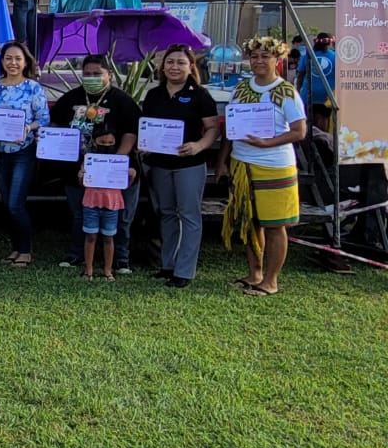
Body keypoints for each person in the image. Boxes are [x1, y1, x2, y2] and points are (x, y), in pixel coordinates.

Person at [215, 36, 307, 296]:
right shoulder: (241, 89)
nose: (259, 61)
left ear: (277, 60)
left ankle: (271, 280)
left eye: (265, 56)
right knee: (250, 221)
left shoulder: (286, 92)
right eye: (254, 57)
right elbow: (230, 129)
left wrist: (269, 143)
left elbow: (299, 131)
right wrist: (222, 161)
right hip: (242, 164)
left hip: (275, 164)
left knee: (275, 225)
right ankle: (254, 273)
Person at [49, 55, 141, 272]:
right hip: (77, 170)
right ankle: (77, 255)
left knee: (121, 216)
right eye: (87, 75)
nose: (91, 78)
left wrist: (116, 160)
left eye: (97, 74)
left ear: (109, 74)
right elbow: (55, 125)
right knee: (80, 214)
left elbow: (131, 132)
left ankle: (121, 260)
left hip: (118, 170)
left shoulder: (123, 101)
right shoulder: (70, 99)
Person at [140, 44, 220, 288]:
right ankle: (168, 265)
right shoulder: (154, 95)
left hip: (189, 164)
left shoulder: (199, 95)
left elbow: (214, 129)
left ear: (190, 67)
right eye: (170, 62)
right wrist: (145, 144)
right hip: (159, 164)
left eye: (181, 62)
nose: (175, 67)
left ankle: (184, 271)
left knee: (189, 215)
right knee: (166, 213)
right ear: (163, 66)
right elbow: (147, 127)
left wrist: (199, 145)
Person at [0, 40, 49, 268]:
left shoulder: (33, 87)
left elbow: (43, 119)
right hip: (0, 151)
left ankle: (25, 250)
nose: (13, 63)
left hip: (23, 151)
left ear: (25, 62)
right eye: (8, 58)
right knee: (6, 203)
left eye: (17, 59)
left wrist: (27, 128)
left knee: (15, 204)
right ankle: (15, 248)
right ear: (1, 61)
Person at [78, 126, 136, 282]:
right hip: (91, 202)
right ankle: (88, 270)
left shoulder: (120, 162)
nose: (107, 145)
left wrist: (131, 175)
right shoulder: (89, 160)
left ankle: (108, 271)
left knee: (108, 237)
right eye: (103, 142)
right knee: (90, 236)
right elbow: (82, 182)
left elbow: (126, 184)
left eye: (110, 142)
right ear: (95, 142)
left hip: (112, 204)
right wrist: (81, 175)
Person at [296, 32, 336, 131]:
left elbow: (300, 75)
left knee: (309, 127)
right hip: (327, 97)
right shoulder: (336, 56)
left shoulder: (308, 55)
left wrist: (298, 91)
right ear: (329, 43)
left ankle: (310, 145)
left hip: (309, 95)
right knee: (322, 128)